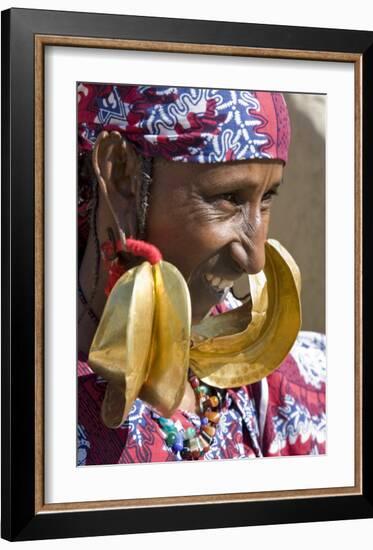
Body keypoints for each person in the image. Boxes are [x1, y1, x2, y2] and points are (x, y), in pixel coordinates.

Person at [76, 84, 326, 465]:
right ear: (122, 177)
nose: (254, 259)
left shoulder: (284, 385)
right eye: (228, 199)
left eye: (268, 198)